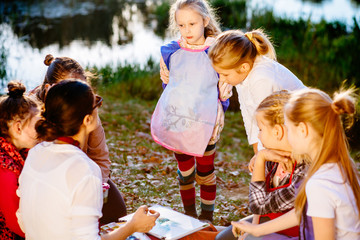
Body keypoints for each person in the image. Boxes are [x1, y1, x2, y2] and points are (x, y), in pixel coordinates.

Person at [17, 79, 159, 240]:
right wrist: (133, 226)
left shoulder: (36, 153)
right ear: (88, 120)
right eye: (96, 103)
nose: (99, 107)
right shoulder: (84, 170)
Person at [231, 87, 360, 239]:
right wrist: (259, 230)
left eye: (289, 128)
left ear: (303, 130)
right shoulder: (336, 165)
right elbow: (302, 210)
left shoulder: (319, 183)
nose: (287, 135)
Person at [151, 0, 232, 223]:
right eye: (182, 25)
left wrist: (221, 100)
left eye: (192, 24)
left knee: (205, 174)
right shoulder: (171, 51)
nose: (187, 30)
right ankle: (189, 215)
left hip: (206, 124)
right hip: (179, 123)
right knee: (185, 173)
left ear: (205, 21)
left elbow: (224, 89)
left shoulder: (217, 50)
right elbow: (168, 85)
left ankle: (206, 218)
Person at [29, 54, 126, 225]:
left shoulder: (87, 111)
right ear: (50, 89)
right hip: (50, 183)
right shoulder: (33, 116)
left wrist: (96, 188)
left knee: (117, 210)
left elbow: (100, 157)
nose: (76, 99)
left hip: (82, 174)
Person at [216, 90, 309, 240]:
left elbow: (259, 204)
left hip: (295, 234)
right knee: (223, 238)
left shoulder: (304, 169)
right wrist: (253, 225)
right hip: (269, 224)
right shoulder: (272, 157)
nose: (258, 135)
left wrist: (260, 159)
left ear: (277, 132)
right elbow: (258, 211)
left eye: (260, 129)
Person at [208, 29, 306, 154]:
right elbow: (249, 113)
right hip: (284, 125)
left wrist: (263, 155)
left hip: (305, 127)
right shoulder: (242, 73)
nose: (221, 79)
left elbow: (267, 121)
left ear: (244, 67)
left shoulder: (261, 79)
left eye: (225, 74)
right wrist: (257, 151)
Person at [0, 81, 41, 239]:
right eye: (37, 125)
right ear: (18, 128)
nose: (42, 130)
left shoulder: (22, 151)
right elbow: (13, 223)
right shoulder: (5, 168)